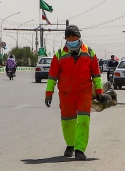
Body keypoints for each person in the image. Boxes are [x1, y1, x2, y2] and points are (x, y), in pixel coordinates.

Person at [44, 25, 107, 161]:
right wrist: (49, 93)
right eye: (69, 37)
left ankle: (79, 149)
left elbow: (96, 74)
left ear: (79, 37)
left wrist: (99, 90)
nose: (72, 39)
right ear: (66, 38)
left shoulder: (89, 53)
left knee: (83, 120)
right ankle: (70, 144)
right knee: (68, 121)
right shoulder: (59, 54)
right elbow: (52, 76)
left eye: (74, 36)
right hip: (66, 94)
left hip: (84, 92)